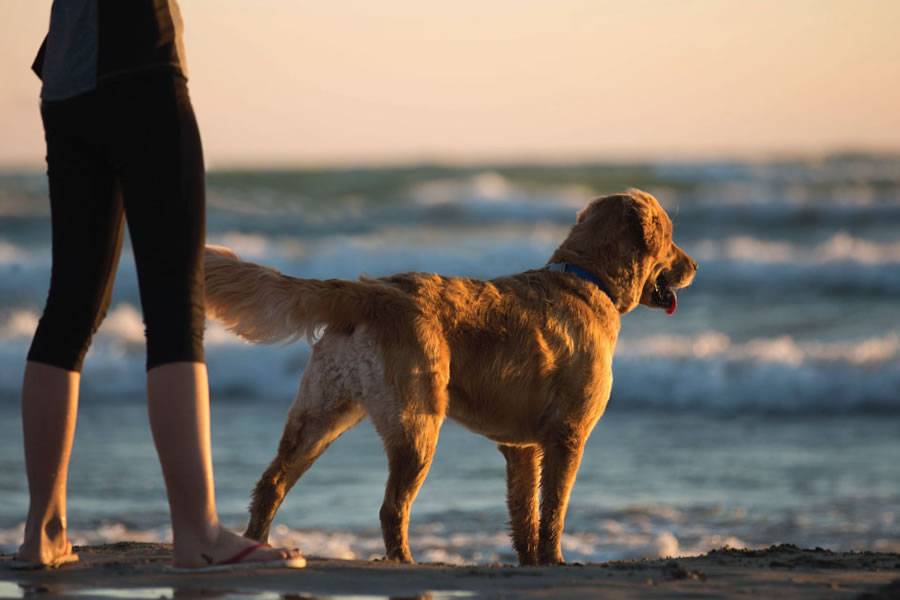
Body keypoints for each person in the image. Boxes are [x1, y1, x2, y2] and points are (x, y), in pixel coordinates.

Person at [14, 0, 305, 570]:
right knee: (174, 309)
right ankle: (197, 533)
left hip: (67, 84)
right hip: (141, 62)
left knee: (69, 308)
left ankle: (42, 532)